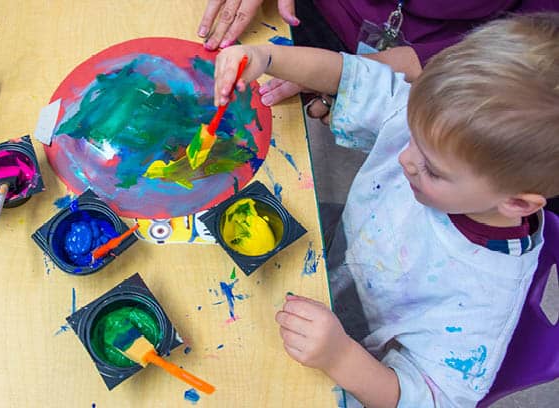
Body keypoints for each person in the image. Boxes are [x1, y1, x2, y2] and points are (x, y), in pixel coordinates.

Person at [214, 13, 559, 407]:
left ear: (516, 203)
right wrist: (266, 57)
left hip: (353, 356)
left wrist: (341, 358)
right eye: (412, 134)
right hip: (338, 253)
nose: (405, 159)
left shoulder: (482, 298)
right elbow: (351, 77)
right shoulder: (440, 130)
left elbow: (434, 400)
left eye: (432, 168)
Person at [201, 0, 559, 120]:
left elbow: (532, 54)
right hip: (302, 15)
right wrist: (266, 55)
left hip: (438, 65)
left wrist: (351, 80)